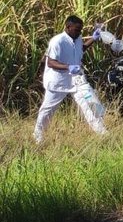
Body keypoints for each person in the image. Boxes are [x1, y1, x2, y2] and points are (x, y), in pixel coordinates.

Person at [33, 15, 108, 143]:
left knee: (89, 105)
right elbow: (50, 62)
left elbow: (81, 49)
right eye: (77, 29)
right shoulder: (57, 41)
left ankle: (103, 134)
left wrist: (93, 38)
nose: (79, 32)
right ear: (68, 27)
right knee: (48, 110)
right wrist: (68, 67)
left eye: (81, 30)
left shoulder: (77, 38)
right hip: (58, 82)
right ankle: (38, 136)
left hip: (77, 80)